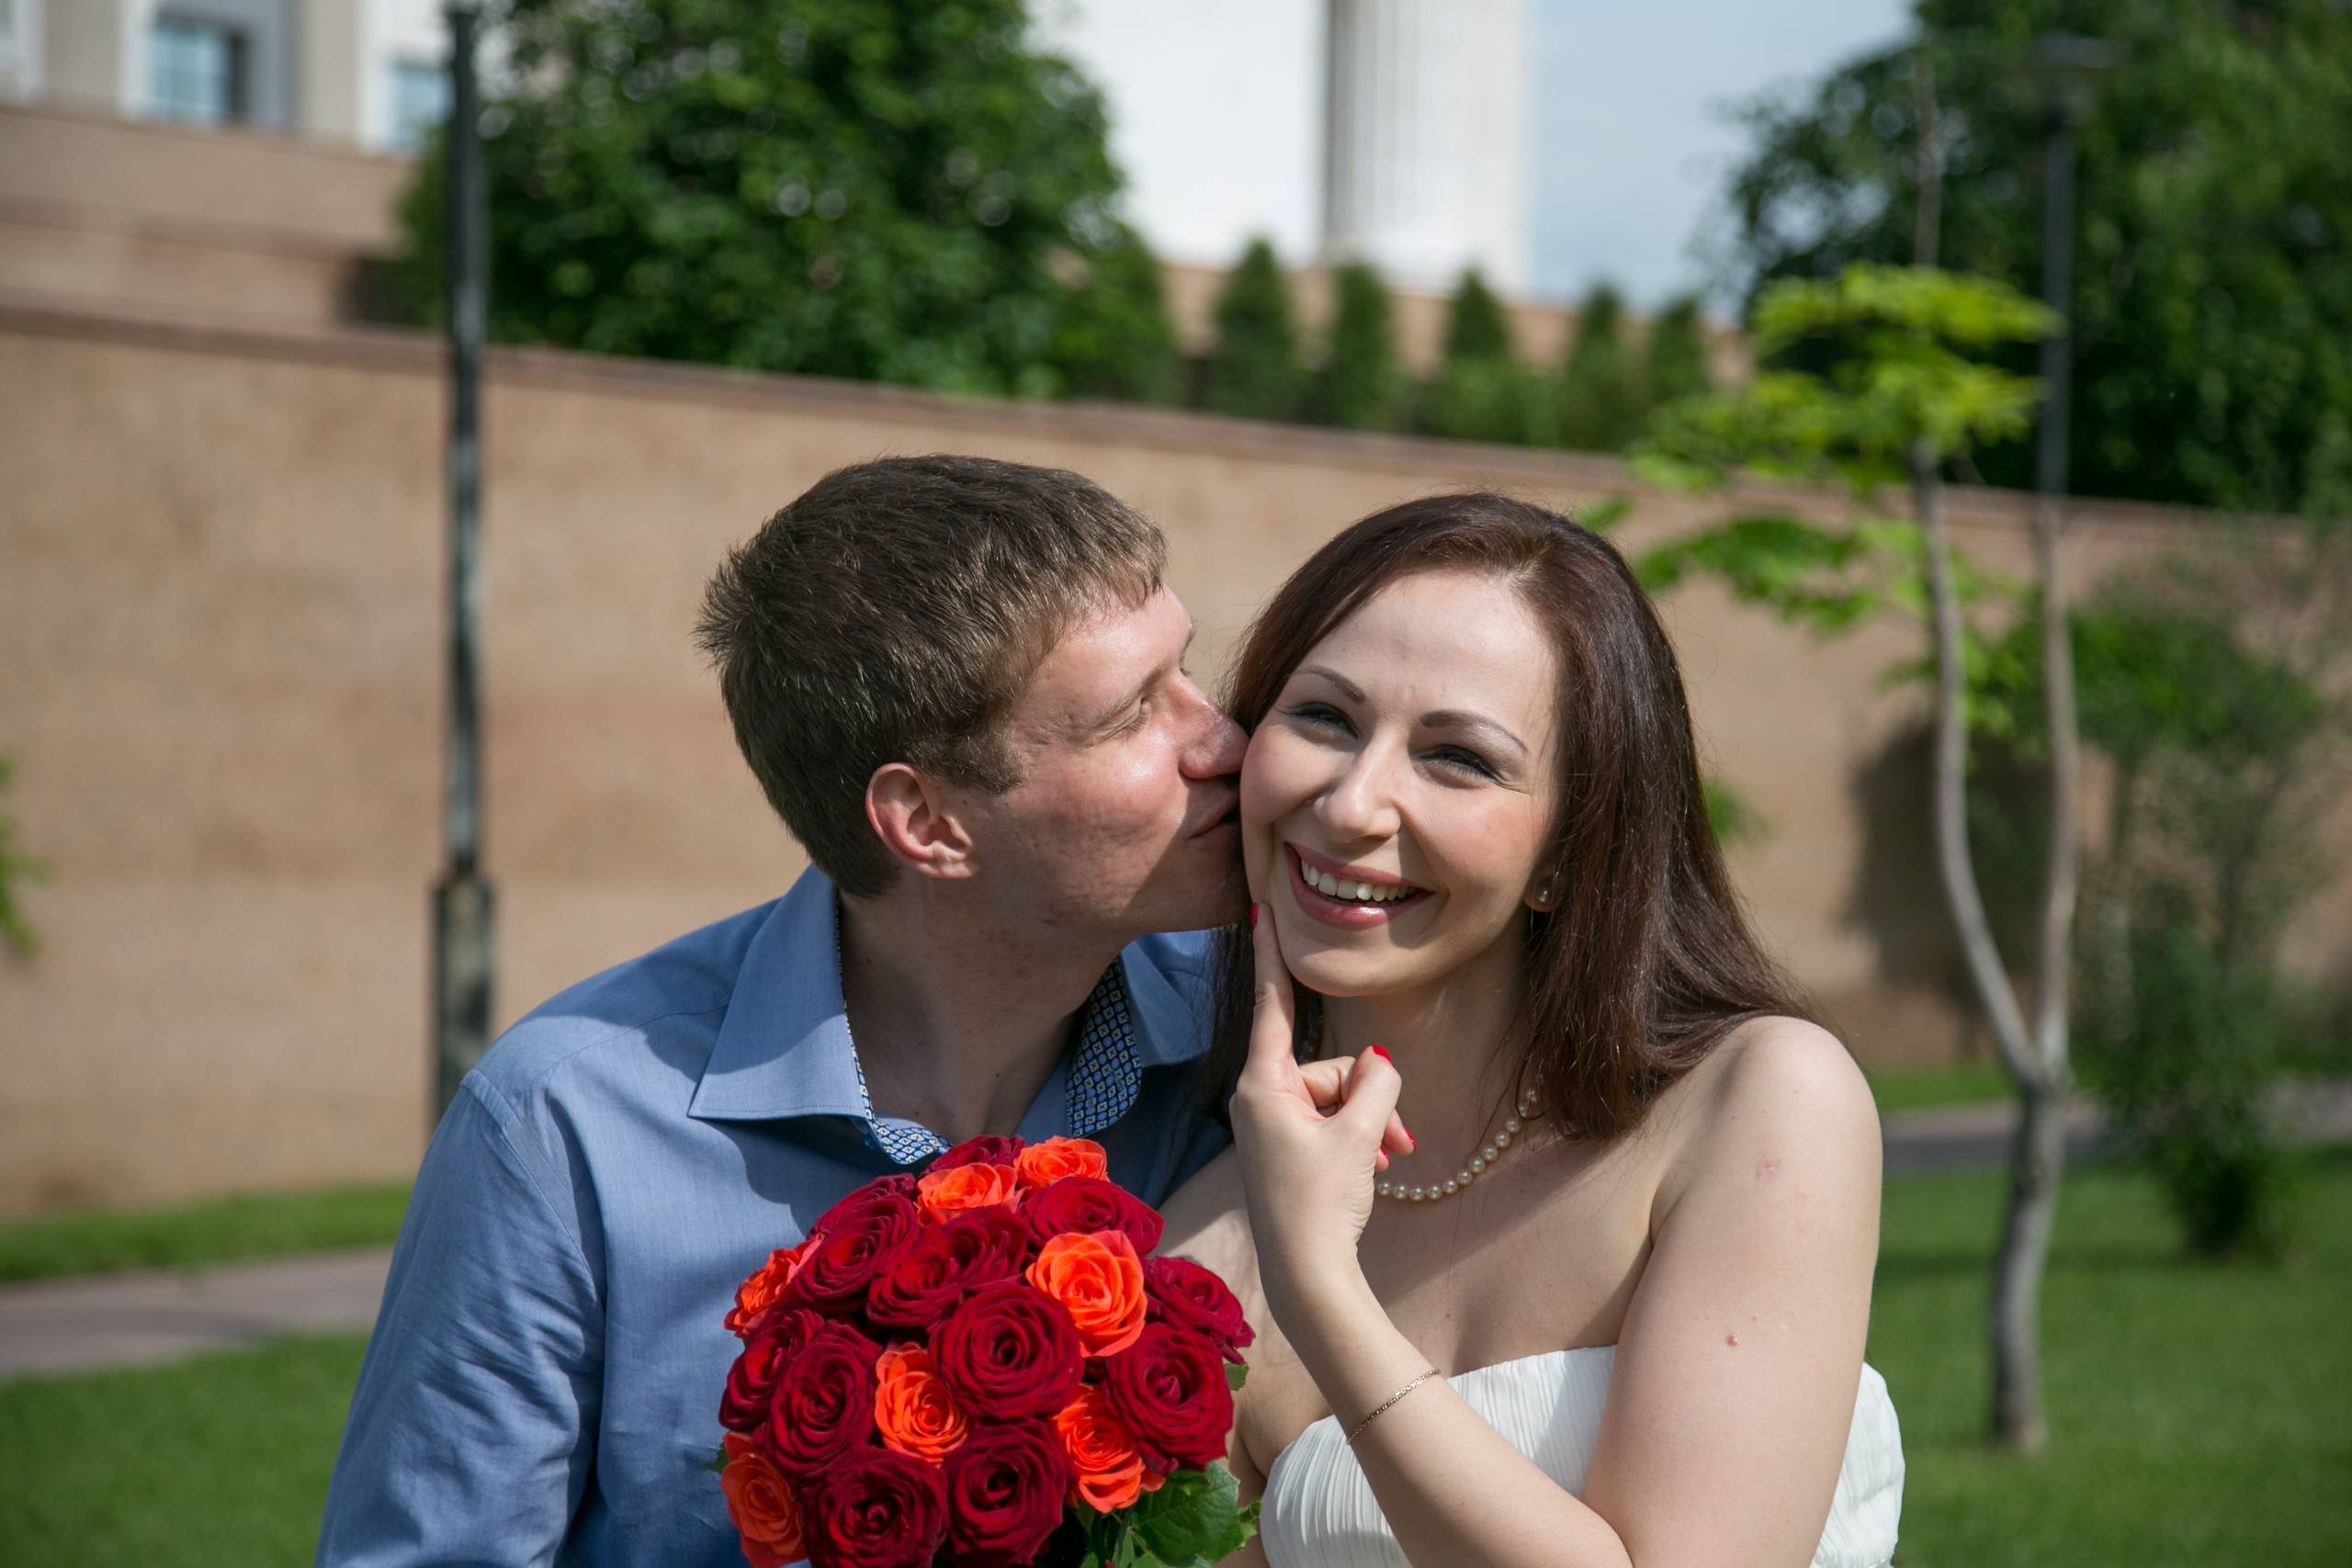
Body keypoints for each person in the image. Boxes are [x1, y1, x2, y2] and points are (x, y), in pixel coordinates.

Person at [317, 456, 1246, 1567]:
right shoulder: (565, 1131)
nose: (1226, 743)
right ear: (930, 824)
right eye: (1133, 714)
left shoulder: (1254, 1051)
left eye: (1185, 672)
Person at [1161, 494, 1902, 1568]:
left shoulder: (1761, 1103)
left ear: (1569, 851)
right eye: (1322, 716)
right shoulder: (1198, 1239)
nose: (1353, 802)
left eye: (1458, 757)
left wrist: (1319, 1287)